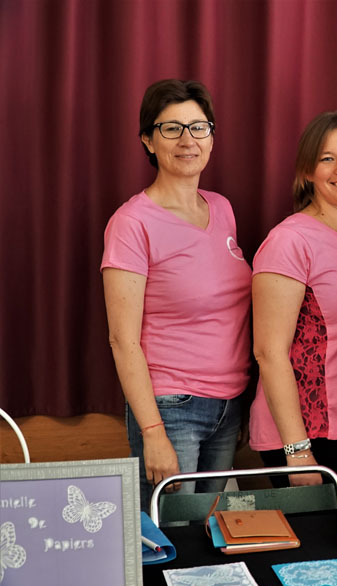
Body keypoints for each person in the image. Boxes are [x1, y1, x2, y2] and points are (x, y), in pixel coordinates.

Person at [102, 79, 250, 511]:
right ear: (148, 140)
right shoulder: (132, 223)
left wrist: (234, 405)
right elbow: (122, 340)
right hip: (171, 410)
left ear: (211, 136)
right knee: (170, 544)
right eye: (171, 129)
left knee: (209, 535)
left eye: (198, 127)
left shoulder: (222, 208)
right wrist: (152, 432)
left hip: (229, 406)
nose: (188, 140)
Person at [250, 111, 337, 487]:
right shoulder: (289, 241)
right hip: (312, 437)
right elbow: (268, 351)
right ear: (307, 171)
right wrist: (298, 451)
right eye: (327, 158)